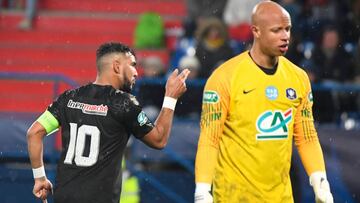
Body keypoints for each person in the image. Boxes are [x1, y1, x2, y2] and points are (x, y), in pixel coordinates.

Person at [194, 1, 333, 203]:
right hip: (233, 198)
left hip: (281, 198)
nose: (285, 36)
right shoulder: (224, 78)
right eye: (276, 30)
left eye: (287, 29)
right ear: (256, 31)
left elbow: (307, 137)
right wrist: (202, 190)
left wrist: (320, 181)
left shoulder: (298, 78)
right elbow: (210, 138)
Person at [26, 42, 190, 203]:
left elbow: (34, 133)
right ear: (117, 67)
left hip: (64, 197)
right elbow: (159, 140)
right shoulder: (124, 103)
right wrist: (170, 98)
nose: (136, 72)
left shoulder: (68, 98)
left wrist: (40, 178)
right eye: (132, 65)